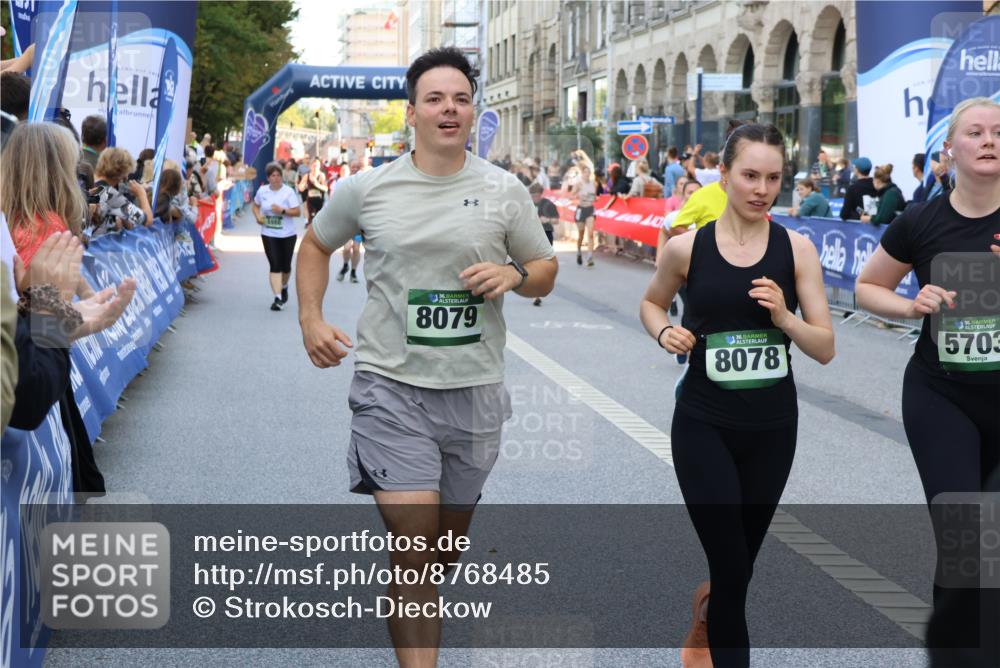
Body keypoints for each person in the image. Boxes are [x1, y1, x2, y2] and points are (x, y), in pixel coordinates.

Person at [296, 46, 557, 667]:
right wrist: (311, 318)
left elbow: (545, 269)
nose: (449, 109)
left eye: (461, 99)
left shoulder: (504, 190)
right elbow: (314, 245)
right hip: (390, 388)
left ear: (472, 112)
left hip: (474, 393)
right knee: (414, 551)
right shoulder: (369, 187)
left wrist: (513, 275)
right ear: (410, 113)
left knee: (439, 554)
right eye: (435, 99)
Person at [640, 122, 834, 668]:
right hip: (702, 422)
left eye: (773, 178)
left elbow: (825, 347)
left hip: (772, 431)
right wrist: (663, 331)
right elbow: (651, 303)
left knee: (740, 566)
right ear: (722, 176)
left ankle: (709, 611)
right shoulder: (686, 248)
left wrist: (785, 317)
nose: (761, 188)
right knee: (730, 566)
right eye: (749, 175)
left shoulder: (797, 251)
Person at [855, 97, 1000, 665]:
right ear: (951, 149)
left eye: (998, 131)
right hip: (943, 396)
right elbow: (868, 287)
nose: (989, 140)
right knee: (968, 538)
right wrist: (912, 305)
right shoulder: (920, 219)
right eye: (975, 132)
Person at [252, 162, 301, 310]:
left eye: (279, 175)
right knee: (275, 265)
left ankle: (284, 286)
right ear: (268, 178)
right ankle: (278, 298)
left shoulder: (288, 192)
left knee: (286, 266)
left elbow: (297, 212)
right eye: (273, 175)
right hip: (268, 233)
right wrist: (257, 216)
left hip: (287, 234)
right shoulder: (262, 191)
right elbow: (255, 205)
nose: (276, 178)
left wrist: (283, 211)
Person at [89, 147, 153, 237]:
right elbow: (147, 221)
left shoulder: (89, 183)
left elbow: (129, 225)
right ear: (123, 173)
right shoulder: (109, 194)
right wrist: (142, 194)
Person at [529, 181, 558, 306]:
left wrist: (547, 220)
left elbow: (556, 220)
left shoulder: (548, 204)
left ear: (541, 194)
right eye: (532, 195)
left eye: (536, 195)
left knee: (544, 263)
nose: (534, 198)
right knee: (534, 264)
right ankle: (536, 294)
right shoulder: (526, 204)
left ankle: (537, 293)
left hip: (546, 234)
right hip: (532, 235)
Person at [567, 162, 597, 266]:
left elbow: (595, 197)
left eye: (589, 172)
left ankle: (590, 257)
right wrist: (578, 197)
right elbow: (571, 196)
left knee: (591, 234)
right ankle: (579, 252)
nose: (587, 174)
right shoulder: (579, 184)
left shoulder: (593, 183)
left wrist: (594, 198)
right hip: (581, 209)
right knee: (581, 234)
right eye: (585, 172)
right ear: (582, 173)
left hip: (590, 209)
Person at [840, 156, 877, 221]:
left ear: (857, 170)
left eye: (855, 167)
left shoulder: (853, 189)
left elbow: (844, 214)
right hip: (878, 226)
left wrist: (859, 216)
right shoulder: (877, 185)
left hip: (859, 226)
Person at [298, 157, 328, 227]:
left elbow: (326, 188)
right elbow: (300, 187)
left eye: (316, 166)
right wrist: (303, 186)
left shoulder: (321, 175)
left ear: (319, 166)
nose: (315, 168)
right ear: (311, 166)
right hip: (310, 201)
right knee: (311, 219)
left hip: (320, 200)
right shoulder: (307, 175)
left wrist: (317, 184)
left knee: (319, 220)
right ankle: (311, 232)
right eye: (314, 166)